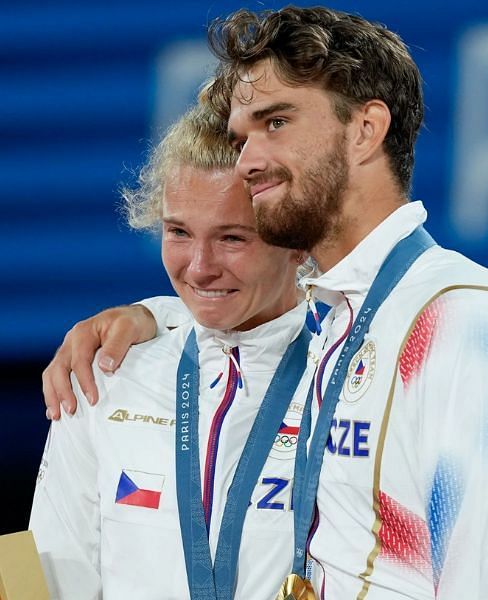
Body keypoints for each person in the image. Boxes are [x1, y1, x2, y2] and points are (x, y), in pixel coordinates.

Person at [40, 6, 488, 598]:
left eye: (277, 122)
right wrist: (149, 316)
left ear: (366, 130)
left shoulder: (459, 320)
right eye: (244, 136)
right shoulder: (338, 323)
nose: (249, 159)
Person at [31, 103, 311, 599]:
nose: (200, 268)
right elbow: (50, 579)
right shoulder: (106, 373)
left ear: (298, 241)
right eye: (179, 232)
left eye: (232, 238)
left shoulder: (347, 377)